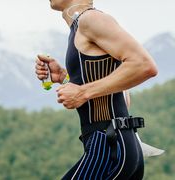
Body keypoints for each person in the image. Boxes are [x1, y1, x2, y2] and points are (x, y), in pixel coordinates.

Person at [35, 0, 158, 179]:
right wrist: (64, 77)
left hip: (109, 147)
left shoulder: (91, 19)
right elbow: (122, 94)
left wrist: (82, 92)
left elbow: (144, 65)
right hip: (118, 144)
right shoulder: (80, 25)